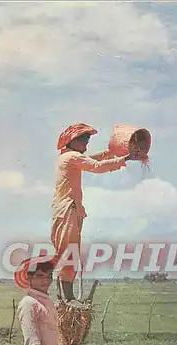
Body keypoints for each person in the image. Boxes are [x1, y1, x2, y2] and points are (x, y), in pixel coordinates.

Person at [51, 123, 137, 301]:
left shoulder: (68, 156)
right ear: (73, 140)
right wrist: (124, 159)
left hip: (68, 210)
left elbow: (93, 160)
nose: (86, 144)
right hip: (67, 210)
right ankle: (67, 297)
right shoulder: (72, 156)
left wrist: (111, 153)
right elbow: (96, 166)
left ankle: (64, 296)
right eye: (84, 140)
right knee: (68, 252)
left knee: (68, 252)